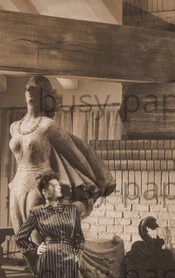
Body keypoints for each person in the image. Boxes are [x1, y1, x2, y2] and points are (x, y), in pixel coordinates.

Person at [8, 75, 116, 238]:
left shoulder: (48, 125)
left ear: (45, 94)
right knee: (20, 235)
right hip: (17, 184)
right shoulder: (15, 127)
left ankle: (47, 256)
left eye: (35, 87)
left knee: (37, 237)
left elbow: (74, 153)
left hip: (39, 182)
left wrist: (93, 182)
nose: (29, 90)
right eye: (27, 87)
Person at [15, 170, 85, 278]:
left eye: (58, 184)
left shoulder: (72, 211)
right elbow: (20, 237)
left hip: (69, 260)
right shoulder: (37, 212)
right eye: (54, 185)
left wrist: (77, 254)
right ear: (45, 192)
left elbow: (79, 238)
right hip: (48, 261)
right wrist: (35, 250)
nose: (59, 186)